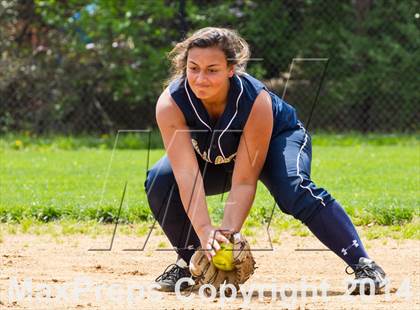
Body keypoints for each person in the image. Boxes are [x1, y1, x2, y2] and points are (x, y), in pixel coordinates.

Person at [144, 27, 386, 294]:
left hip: (277, 141)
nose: (201, 78)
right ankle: (192, 261)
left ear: (231, 69)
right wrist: (206, 234)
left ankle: (364, 264)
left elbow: (245, 180)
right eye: (193, 68)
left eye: (212, 69)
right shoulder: (171, 104)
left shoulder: (253, 100)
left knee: (293, 189)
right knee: (161, 180)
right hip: (218, 157)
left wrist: (228, 233)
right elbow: (187, 175)